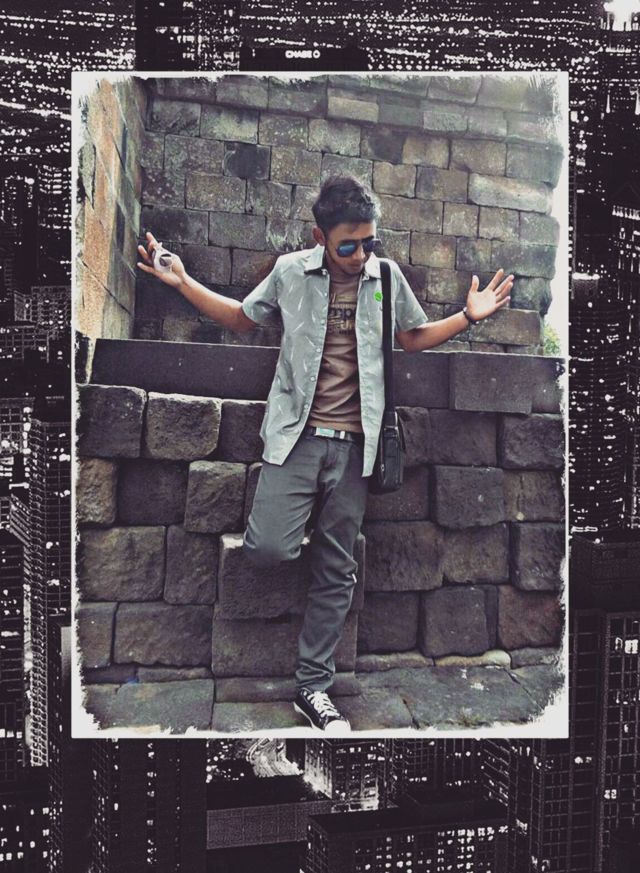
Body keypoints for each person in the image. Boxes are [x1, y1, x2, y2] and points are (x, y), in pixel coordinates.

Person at [137, 175, 513, 733]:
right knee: (268, 548)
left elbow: (411, 337)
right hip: (296, 439)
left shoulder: (385, 277)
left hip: (358, 448)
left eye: (369, 243)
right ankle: (302, 526)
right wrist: (184, 281)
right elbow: (241, 317)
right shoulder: (291, 271)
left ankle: (312, 687)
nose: (360, 255)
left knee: (338, 571)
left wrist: (468, 317)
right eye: (348, 245)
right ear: (320, 237)